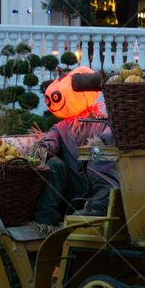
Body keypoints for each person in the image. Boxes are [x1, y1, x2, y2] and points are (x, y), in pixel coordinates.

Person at [32, 71, 120, 229]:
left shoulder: (105, 122)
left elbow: (113, 135)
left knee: (110, 193)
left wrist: (100, 142)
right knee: (55, 165)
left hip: (100, 180)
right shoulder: (61, 128)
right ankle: (45, 220)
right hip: (74, 184)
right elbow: (50, 141)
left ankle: (92, 213)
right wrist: (40, 150)